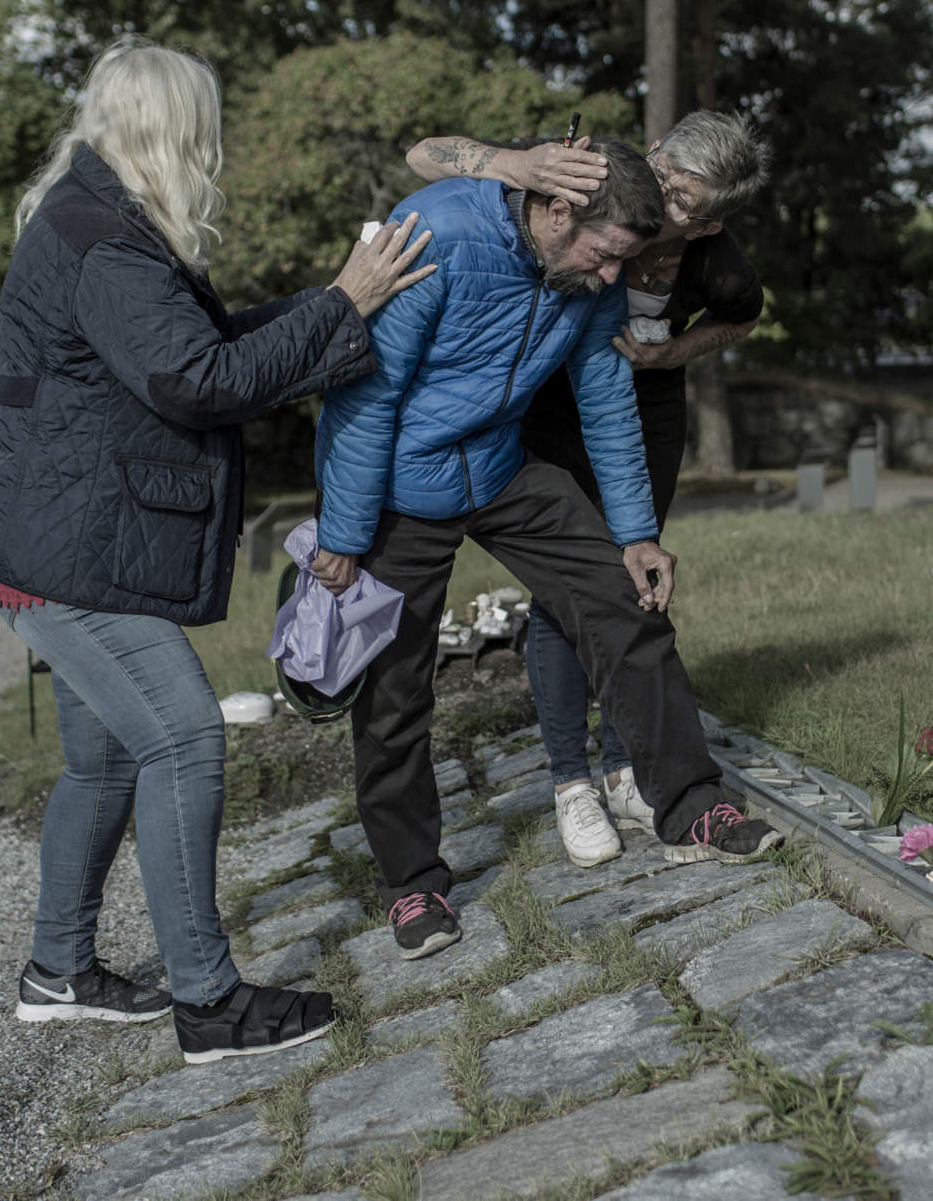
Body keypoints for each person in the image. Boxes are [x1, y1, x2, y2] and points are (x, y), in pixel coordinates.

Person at [0, 37, 435, 1063]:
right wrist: (341, 304)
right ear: (173, 129)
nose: (215, 147)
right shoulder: (105, 240)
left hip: (55, 535)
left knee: (102, 759)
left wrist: (334, 304)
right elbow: (200, 382)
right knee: (182, 736)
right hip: (69, 553)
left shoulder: (108, 221)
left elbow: (206, 349)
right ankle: (210, 1004)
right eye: (205, 127)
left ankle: (58, 970)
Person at [308, 136, 783, 962]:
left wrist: (635, 533)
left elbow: (604, 399)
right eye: (604, 259)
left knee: (624, 603)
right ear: (557, 211)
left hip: (500, 465)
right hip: (398, 486)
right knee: (392, 689)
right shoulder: (437, 235)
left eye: (621, 266)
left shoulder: (594, 268)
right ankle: (412, 881)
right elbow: (365, 392)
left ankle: (690, 804)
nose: (611, 282)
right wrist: (346, 534)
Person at [406, 112, 770, 867]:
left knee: (623, 583)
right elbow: (425, 154)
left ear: (705, 229)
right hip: (543, 404)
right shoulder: (587, 175)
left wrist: (672, 354)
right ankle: (571, 780)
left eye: (684, 201)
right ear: (657, 145)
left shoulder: (717, 263)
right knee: (564, 591)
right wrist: (522, 164)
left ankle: (633, 774)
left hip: (635, 409)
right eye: (663, 172)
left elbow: (741, 317)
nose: (663, 196)